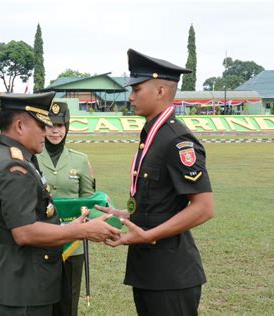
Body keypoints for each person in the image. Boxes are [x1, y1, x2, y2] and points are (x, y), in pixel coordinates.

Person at [97, 49, 215, 316]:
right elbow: (163, 202)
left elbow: (203, 207)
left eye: (137, 89)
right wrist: (126, 214)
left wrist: (147, 235)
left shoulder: (176, 140)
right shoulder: (154, 134)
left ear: (161, 90)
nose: (131, 96)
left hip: (171, 275)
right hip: (149, 270)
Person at [0, 92, 120, 315]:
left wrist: (70, 227)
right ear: (19, 126)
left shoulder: (13, 157)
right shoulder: (14, 168)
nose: (47, 132)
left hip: (25, 280)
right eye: (41, 125)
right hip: (24, 283)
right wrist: (82, 230)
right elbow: (24, 232)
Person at [37, 102, 95, 315]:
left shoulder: (80, 160)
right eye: (50, 125)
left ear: (67, 127)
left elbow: (89, 201)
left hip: (73, 243)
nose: (55, 130)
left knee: (68, 304)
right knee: (41, 301)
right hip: (41, 238)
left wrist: (85, 219)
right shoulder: (32, 157)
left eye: (60, 125)